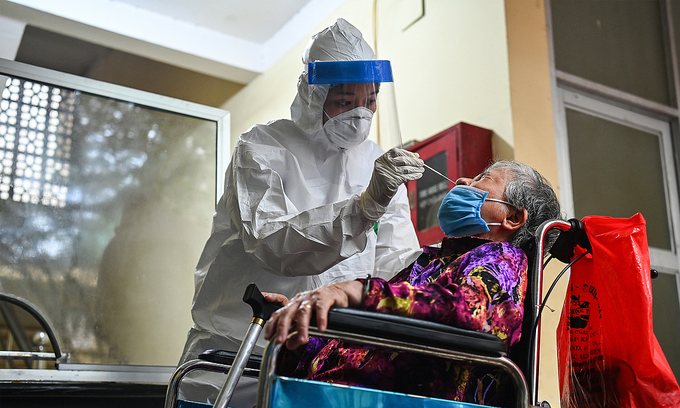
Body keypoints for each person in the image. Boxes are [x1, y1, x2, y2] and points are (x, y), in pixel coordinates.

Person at [177, 18, 424, 405]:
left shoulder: (379, 165)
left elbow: (395, 265)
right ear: (314, 96)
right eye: (345, 101)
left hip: (327, 365)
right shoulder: (261, 149)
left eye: (370, 100)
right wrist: (363, 209)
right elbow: (273, 244)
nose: (360, 115)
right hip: (237, 356)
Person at [265, 160, 562, 406]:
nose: (462, 180)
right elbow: (361, 334)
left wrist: (357, 291)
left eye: (483, 178)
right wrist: (304, 334)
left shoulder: (503, 260)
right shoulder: (431, 262)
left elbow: (469, 311)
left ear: (512, 217)